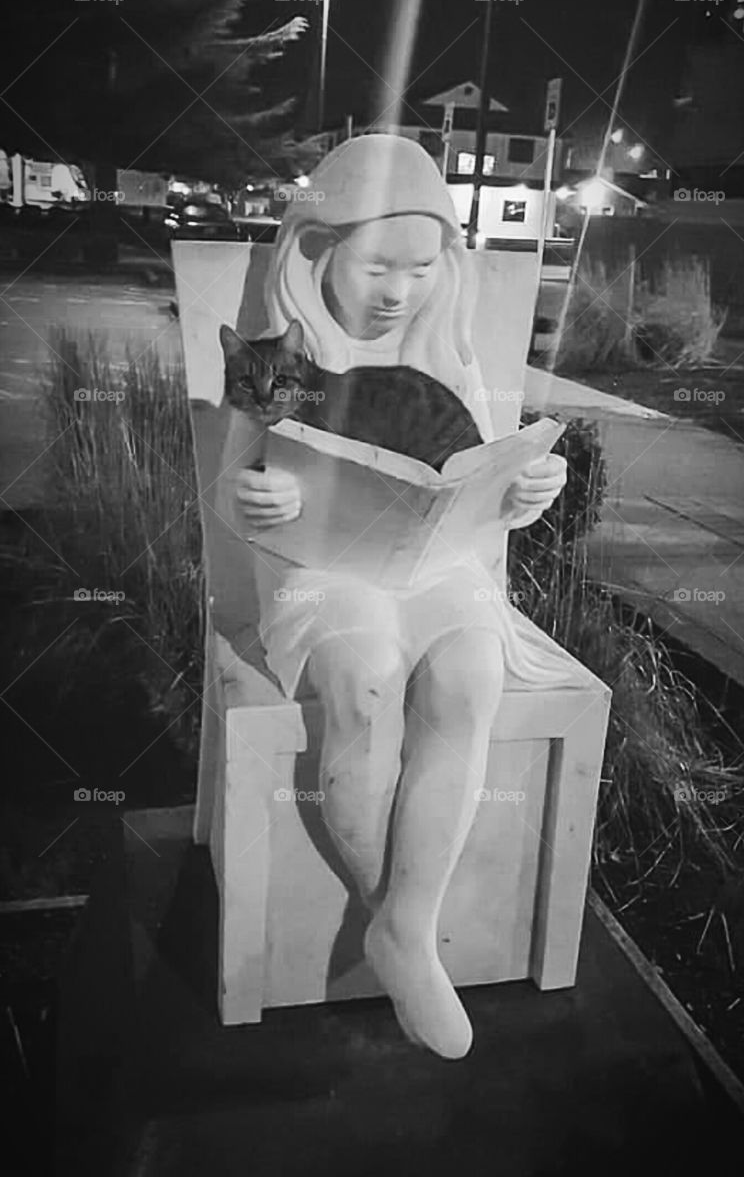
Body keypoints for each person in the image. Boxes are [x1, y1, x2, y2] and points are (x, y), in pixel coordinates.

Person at [226, 134, 573, 1059]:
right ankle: (406, 929)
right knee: (367, 676)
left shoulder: (445, 353)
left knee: (466, 674)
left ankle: (402, 927)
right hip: (319, 572)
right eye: (378, 266)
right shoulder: (279, 353)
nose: (398, 291)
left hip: (436, 567)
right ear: (317, 251)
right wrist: (263, 494)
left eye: (421, 270)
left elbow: (483, 478)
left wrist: (526, 491)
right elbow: (233, 489)